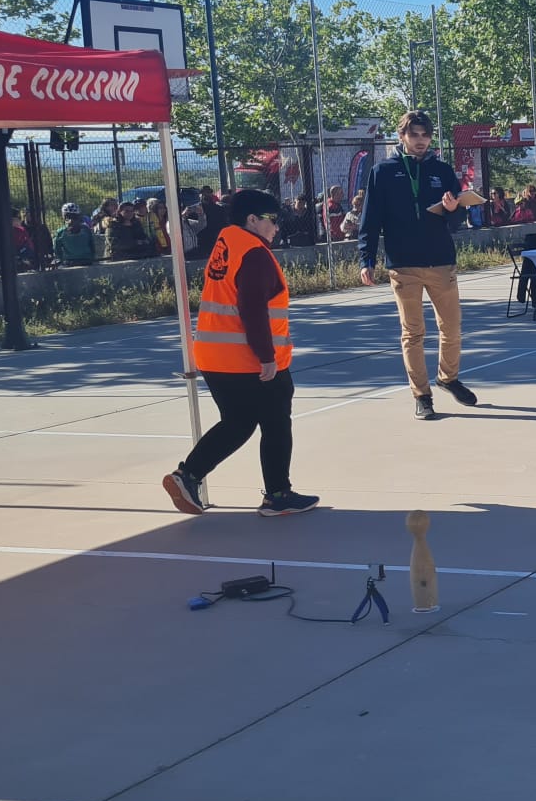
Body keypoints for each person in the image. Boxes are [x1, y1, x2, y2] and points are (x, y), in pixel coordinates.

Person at [162, 189, 319, 517]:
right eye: (272, 220)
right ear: (252, 220)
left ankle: (187, 476)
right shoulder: (254, 253)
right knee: (276, 421)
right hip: (245, 357)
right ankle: (278, 494)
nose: (277, 227)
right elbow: (252, 309)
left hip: (214, 355)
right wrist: (266, 358)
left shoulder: (226, 243)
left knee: (239, 422)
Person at [358, 110, 477, 421]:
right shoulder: (383, 171)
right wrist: (366, 259)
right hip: (403, 264)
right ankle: (421, 395)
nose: (421, 140)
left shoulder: (442, 170)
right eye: (415, 135)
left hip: (441, 261)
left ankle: (448, 378)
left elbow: (457, 220)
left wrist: (453, 210)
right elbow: (371, 219)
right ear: (402, 137)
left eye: (425, 135)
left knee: (451, 328)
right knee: (413, 333)